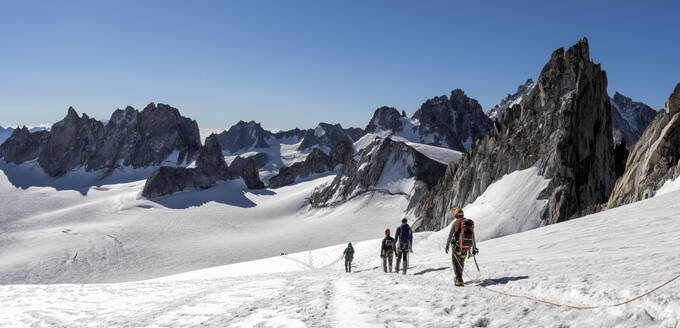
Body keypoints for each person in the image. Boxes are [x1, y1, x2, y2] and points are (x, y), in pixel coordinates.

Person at [445, 208, 478, 286]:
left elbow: (450, 235)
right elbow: (473, 237)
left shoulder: (456, 223)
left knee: (455, 262)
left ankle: (459, 279)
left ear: (456, 215)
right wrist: (474, 248)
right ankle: (459, 277)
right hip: (466, 248)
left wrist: (447, 245)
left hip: (457, 247)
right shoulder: (468, 224)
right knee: (461, 262)